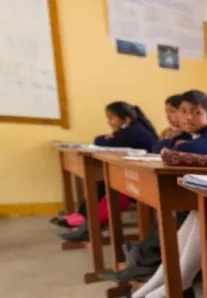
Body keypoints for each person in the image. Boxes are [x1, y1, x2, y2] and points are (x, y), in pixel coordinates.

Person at [112, 90, 207, 298]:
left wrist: (175, 145)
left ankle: (174, 282)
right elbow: (159, 148)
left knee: (192, 210)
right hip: (203, 192)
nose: (187, 118)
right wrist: (172, 143)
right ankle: (162, 281)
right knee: (191, 210)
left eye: (195, 113)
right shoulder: (193, 133)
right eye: (183, 112)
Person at [55, 102, 159, 237]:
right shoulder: (130, 129)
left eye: (112, 118)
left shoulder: (134, 131)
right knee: (103, 182)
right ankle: (86, 219)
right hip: (139, 173)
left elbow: (101, 141)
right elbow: (101, 140)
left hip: (146, 179)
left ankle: (91, 225)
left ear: (126, 120)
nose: (109, 122)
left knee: (113, 187)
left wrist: (111, 137)